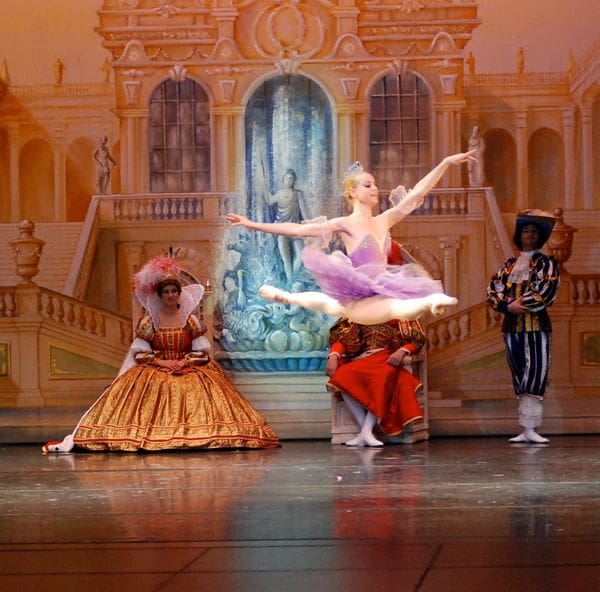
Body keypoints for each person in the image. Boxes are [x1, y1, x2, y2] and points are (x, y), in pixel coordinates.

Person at [43, 256, 280, 452]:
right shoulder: (151, 322)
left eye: (174, 291)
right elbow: (139, 354)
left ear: (179, 293)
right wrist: (162, 363)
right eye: (166, 291)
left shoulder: (190, 320)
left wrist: (183, 362)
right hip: (156, 368)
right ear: (160, 295)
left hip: (188, 367)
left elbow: (202, 351)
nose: (170, 295)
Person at [226, 151, 476, 325]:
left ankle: (286, 297)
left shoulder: (384, 220)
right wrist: (251, 224)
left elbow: (418, 193)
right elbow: (297, 230)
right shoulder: (345, 224)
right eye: (368, 185)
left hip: (382, 288)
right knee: (343, 305)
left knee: (340, 305)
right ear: (353, 192)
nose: (375, 188)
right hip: (359, 296)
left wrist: (445, 163)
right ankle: (287, 297)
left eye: (374, 184)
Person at [486, 209, 560, 444]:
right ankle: (525, 429)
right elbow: (493, 290)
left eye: (533, 231)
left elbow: (546, 291)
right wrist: (507, 306)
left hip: (536, 326)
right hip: (511, 327)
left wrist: (521, 304)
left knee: (536, 371)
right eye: (525, 231)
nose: (529, 235)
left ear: (540, 236)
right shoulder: (508, 266)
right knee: (518, 372)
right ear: (519, 235)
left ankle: (531, 428)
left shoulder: (546, 263)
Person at [326, 316, 426, 447]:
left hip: (387, 358)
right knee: (341, 376)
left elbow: (417, 340)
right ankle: (366, 431)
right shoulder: (357, 312)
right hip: (362, 359)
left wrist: (402, 351)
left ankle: (365, 432)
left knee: (382, 377)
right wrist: (333, 355)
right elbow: (341, 341)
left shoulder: (400, 313)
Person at [261, 168, 310, 285]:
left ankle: (292, 280)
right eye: (287, 178)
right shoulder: (279, 194)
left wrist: (309, 224)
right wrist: (263, 185)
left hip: (295, 230)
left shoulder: (298, 194)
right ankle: (289, 282)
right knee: (286, 259)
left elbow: (304, 212)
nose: (289, 181)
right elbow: (269, 201)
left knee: (301, 256)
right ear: (283, 180)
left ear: (294, 180)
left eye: (291, 179)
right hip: (282, 230)